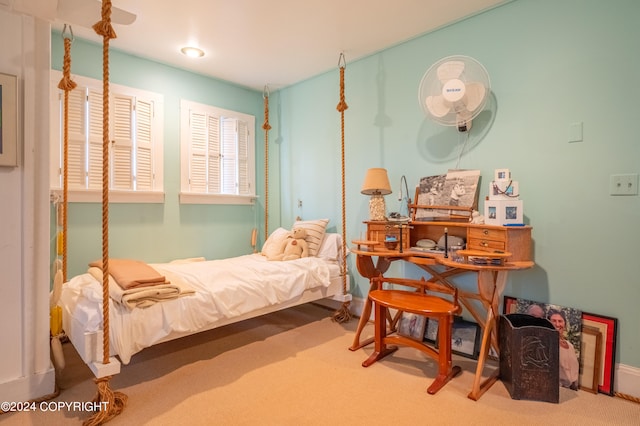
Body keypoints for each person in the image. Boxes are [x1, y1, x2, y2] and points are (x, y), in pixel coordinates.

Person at [548, 309, 579, 390]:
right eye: (554, 321)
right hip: (557, 388)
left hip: (572, 389)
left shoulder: (570, 346)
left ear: (564, 324)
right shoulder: (547, 344)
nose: (557, 324)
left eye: (560, 321)